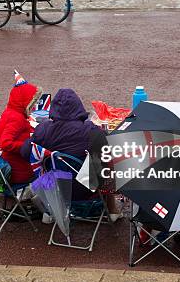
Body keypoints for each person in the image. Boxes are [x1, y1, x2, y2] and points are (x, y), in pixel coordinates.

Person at [21, 88, 122, 220]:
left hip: (55, 189)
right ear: (78, 107)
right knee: (106, 166)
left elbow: (25, 152)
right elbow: (111, 150)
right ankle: (112, 210)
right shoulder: (89, 129)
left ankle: (49, 210)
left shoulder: (44, 130)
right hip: (86, 189)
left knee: (45, 164)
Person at [0, 70, 42, 184]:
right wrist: (27, 145)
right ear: (25, 102)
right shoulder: (17, 119)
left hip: (9, 165)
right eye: (33, 103)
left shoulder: (9, 112)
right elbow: (5, 143)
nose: (34, 106)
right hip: (19, 171)